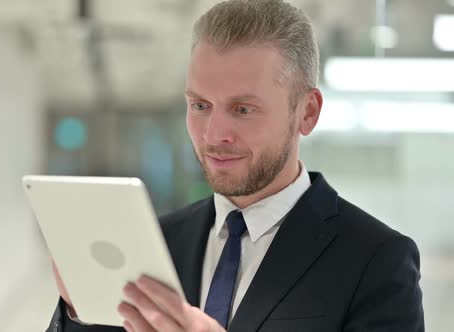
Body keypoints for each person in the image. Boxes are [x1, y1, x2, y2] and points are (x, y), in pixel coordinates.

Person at [45, 0, 424, 331]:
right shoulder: (158, 241)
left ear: (306, 113)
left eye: (243, 109)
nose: (214, 134)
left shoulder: (375, 261)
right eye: (200, 106)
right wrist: (79, 309)